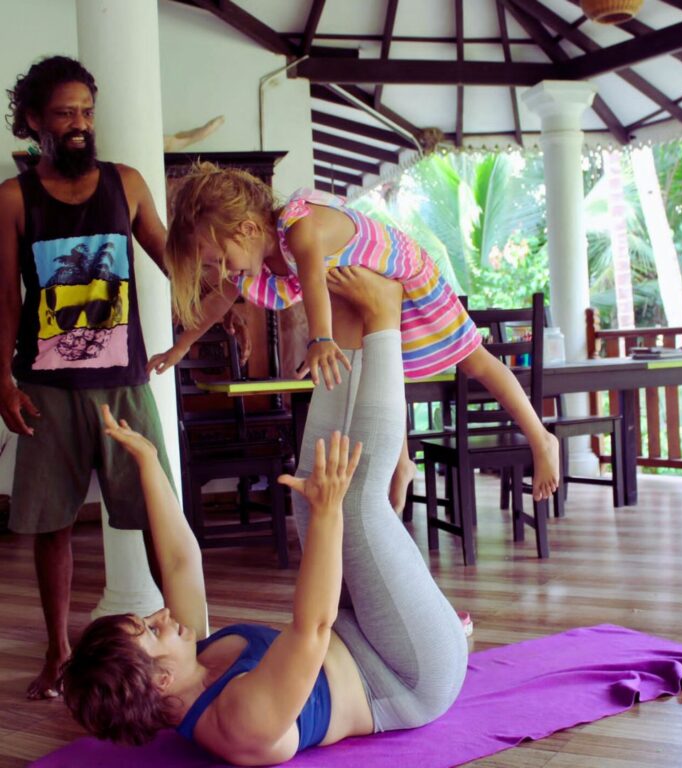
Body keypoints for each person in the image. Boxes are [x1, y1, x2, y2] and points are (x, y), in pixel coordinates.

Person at [62, 273, 468, 765]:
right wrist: (327, 515)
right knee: (354, 503)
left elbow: (180, 562)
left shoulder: (192, 661)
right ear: (159, 680)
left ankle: (344, 327)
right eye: (151, 630)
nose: (161, 615)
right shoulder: (239, 722)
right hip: (410, 675)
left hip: (358, 630)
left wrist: (148, 462)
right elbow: (311, 628)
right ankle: (382, 319)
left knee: (309, 495)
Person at [149, 163, 560, 513]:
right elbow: (219, 301)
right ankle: (401, 463)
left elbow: (313, 280)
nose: (223, 270)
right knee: (385, 373)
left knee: (474, 358)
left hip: (406, 275)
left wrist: (320, 339)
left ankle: (540, 439)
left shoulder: (300, 226)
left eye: (221, 259)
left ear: (248, 229)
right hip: (367, 298)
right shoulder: (257, 259)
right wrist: (182, 344)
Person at [0, 55, 176, 699]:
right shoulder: (13, 199)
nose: (79, 125)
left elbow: (169, 255)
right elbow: (5, 302)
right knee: (51, 526)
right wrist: (3, 384)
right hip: (46, 387)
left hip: (124, 383)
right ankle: (57, 653)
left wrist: (222, 295)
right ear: (33, 122)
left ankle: (184, 632)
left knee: (158, 514)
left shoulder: (125, 183)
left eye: (86, 112)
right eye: (65, 113)